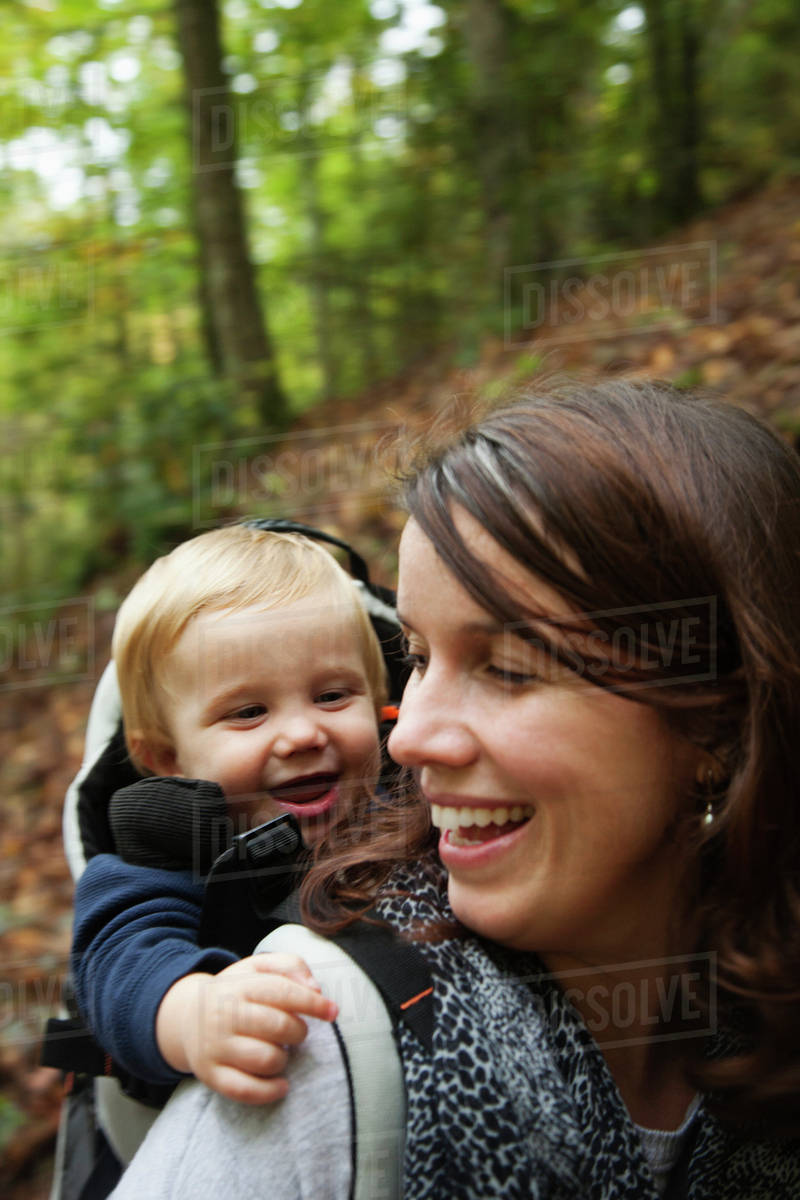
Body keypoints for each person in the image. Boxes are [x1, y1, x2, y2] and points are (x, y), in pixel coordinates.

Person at [109, 381, 800, 1198]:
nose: (408, 737)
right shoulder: (329, 1053)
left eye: (507, 669)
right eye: (419, 655)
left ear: (718, 724)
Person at [71, 524, 388, 1103]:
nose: (301, 733)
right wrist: (194, 1013)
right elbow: (118, 966)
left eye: (332, 695)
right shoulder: (159, 864)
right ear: (167, 758)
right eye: (248, 711)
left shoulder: (414, 804)